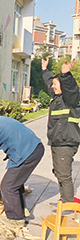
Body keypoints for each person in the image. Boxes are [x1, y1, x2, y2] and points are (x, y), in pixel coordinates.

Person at [41, 57, 80, 204]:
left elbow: (71, 88)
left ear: (63, 85)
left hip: (66, 142)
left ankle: (68, 204)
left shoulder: (70, 99)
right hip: (58, 141)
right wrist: (45, 70)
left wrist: (65, 75)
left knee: (64, 175)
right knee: (58, 172)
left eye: (56, 85)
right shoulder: (57, 98)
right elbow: (49, 81)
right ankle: (64, 199)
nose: (52, 87)